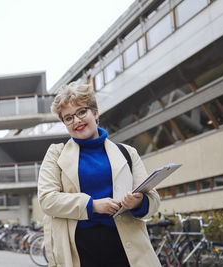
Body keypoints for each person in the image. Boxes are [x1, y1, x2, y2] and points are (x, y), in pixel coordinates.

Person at [38, 83, 161, 267]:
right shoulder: (56, 154)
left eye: (81, 112)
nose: (76, 121)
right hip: (81, 252)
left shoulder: (127, 152)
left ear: (95, 113)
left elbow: (154, 200)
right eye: (68, 118)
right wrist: (92, 205)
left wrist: (138, 202)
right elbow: (47, 199)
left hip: (126, 251)